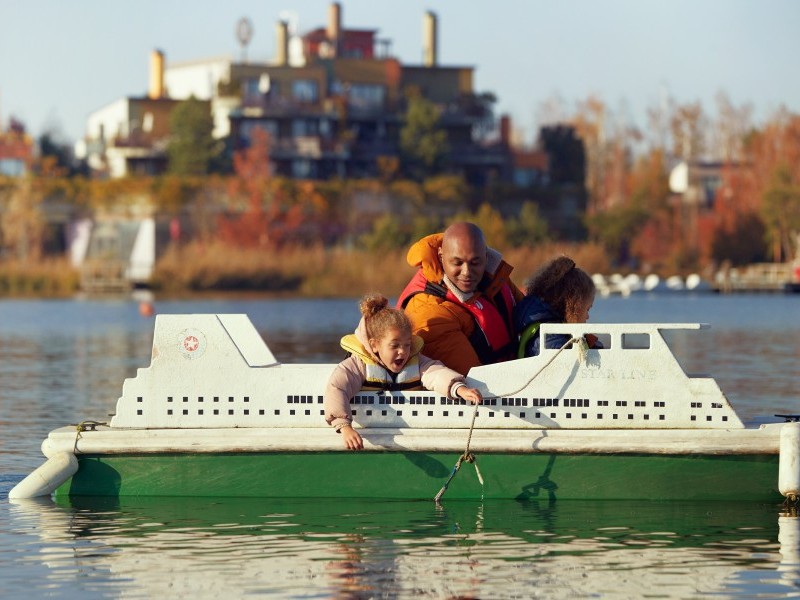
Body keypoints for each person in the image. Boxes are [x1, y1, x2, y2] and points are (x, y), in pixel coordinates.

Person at [325, 293, 483, 450]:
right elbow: (337, 388)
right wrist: (345, 427)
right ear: (374, 345)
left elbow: (436, 373)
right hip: (371, 435)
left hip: (410, 436)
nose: (402, 352)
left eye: (407, 345)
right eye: (394, 346)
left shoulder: (416, 361)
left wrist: (459, 388)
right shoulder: (357, 365)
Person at [396, 222, 523, 376]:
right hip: (478, 393)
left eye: (475, 263)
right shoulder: (427, 312)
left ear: (486, 255)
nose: (467, 272)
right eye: (457, 263)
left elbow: (531, 312)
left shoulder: (494, 277)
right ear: (441, 256)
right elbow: (474, 379)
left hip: (516, 379)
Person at [513, 255, 601, 357]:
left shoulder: (547, 328)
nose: (587, 317)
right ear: (575, 304)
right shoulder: (549, 339)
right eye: (587, 309)